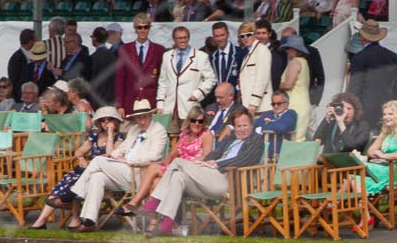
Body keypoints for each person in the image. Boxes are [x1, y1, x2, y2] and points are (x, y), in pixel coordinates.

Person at [146, 107, 266, 235]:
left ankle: (154, 201)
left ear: (252, 125)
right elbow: (215, 153)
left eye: (245, 125)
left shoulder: (256, 140)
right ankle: (168, 223)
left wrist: (216, 164)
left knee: (177, 162)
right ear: (234, 127)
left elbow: (245, 159)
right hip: (210, 180)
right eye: (238, 126)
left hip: (228, 181)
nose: (242, 129)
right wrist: (203, 162)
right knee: (177, 177)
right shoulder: (231, 139)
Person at [70, 97, 168, 229]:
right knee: (97, 176)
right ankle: (89, 219)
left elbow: (154, 156)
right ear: (135, 118)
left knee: (98, 160)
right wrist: (114, 156)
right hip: (124, 172)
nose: (142, 121)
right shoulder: (134, 129)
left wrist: (127, 160)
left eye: (145, 117)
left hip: (141, 174)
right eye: (139, 118)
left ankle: (77, 191)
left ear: (151, 115)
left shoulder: (158, 130)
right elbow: (122, 148)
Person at [361, 98, 397, 198]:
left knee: (359, 169)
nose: (386, 117)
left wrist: (385, 156)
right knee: (353, 176)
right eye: (384, 114)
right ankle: (364, 209)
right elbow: (370, 151)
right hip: (385, 167)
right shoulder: (386, 131)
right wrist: (378, 155)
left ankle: (335, 204)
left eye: (390, 114)